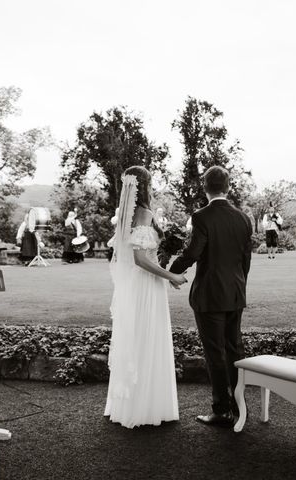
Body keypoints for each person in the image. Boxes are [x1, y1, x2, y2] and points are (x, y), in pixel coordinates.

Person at [105, 166, 187, 428]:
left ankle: (130, 404)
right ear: (144, 185)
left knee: (137, 339)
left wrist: (163, 268)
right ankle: (147, 408)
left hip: (135, 285)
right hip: (147, 286)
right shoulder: (144, 212)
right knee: (148, 338)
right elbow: (141, 259)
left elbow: (136, 256)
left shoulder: (124, 217)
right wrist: (170, 276)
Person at [170, 165, 252, 427]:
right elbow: (245, 261)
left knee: (214, 352)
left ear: (205, 187)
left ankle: (221, 410)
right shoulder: (243, 218)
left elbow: (193, 253)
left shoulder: (201, 216)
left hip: (210, 296)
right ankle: (239, 408)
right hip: (235, 293)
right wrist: (239, 286)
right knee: (234, 350)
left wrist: (171, 271)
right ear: (227, 188)